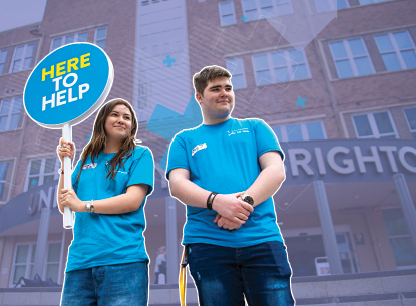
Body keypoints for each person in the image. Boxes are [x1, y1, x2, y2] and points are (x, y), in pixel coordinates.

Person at [166, 65, 295, 305]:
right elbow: (177, 184)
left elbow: (275, 171)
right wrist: (217, 202)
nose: (225, 93)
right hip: (207, 244)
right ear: (200, 97)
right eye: (216, 89)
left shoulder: (256, 127)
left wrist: (241, 205)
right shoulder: (184, 139)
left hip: (262, 240)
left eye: (228, 87)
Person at [56, 98, 154, 306]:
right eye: (115, 115)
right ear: (102, 120)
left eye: (127, 117)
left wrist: (84, 206)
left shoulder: (140, 155)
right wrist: (66, 164)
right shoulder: (86, 160)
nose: (121, 120)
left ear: (132, 126)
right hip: (80, 264)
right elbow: (64, 203)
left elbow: (132, 201)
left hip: (124, 262)